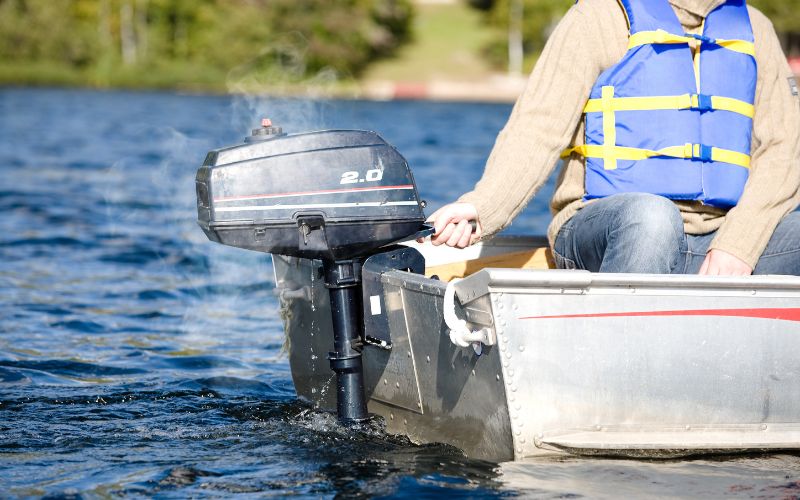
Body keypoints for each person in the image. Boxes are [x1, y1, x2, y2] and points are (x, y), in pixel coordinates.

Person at [426, 0, 800, 276]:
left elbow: (784, 149)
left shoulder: (756, 29)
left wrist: (737, 245)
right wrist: (482, 207)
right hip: (606, 228)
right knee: (651, 218)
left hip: (716, 237)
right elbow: (537, 128)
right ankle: (623, 367)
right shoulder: (597, 17)